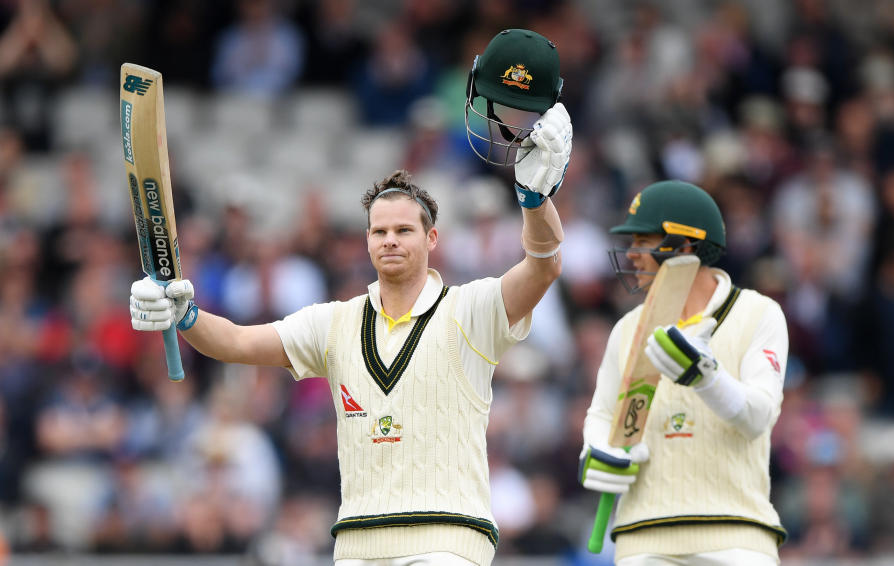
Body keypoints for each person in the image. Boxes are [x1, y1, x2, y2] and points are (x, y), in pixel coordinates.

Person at [129, 28, 571, 566]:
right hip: (358, 544)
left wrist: (533, 199)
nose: (389, 240)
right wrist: (185, 313)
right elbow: (238, 343)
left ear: (432, 239)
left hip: (448, 540)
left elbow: (543, 268)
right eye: (378, 230)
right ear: (365, 239)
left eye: (404, 231)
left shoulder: (470, 308)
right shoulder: (335, 322)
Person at [579, 180, 789, 566]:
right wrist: (596, 449)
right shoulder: (627, 329)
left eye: (643, 242)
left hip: (737, 534)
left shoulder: (758, 314)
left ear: (685, 246)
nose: (632, 256)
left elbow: (758, 417)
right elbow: (603, 415)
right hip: (643, 538)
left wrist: (706, 377)